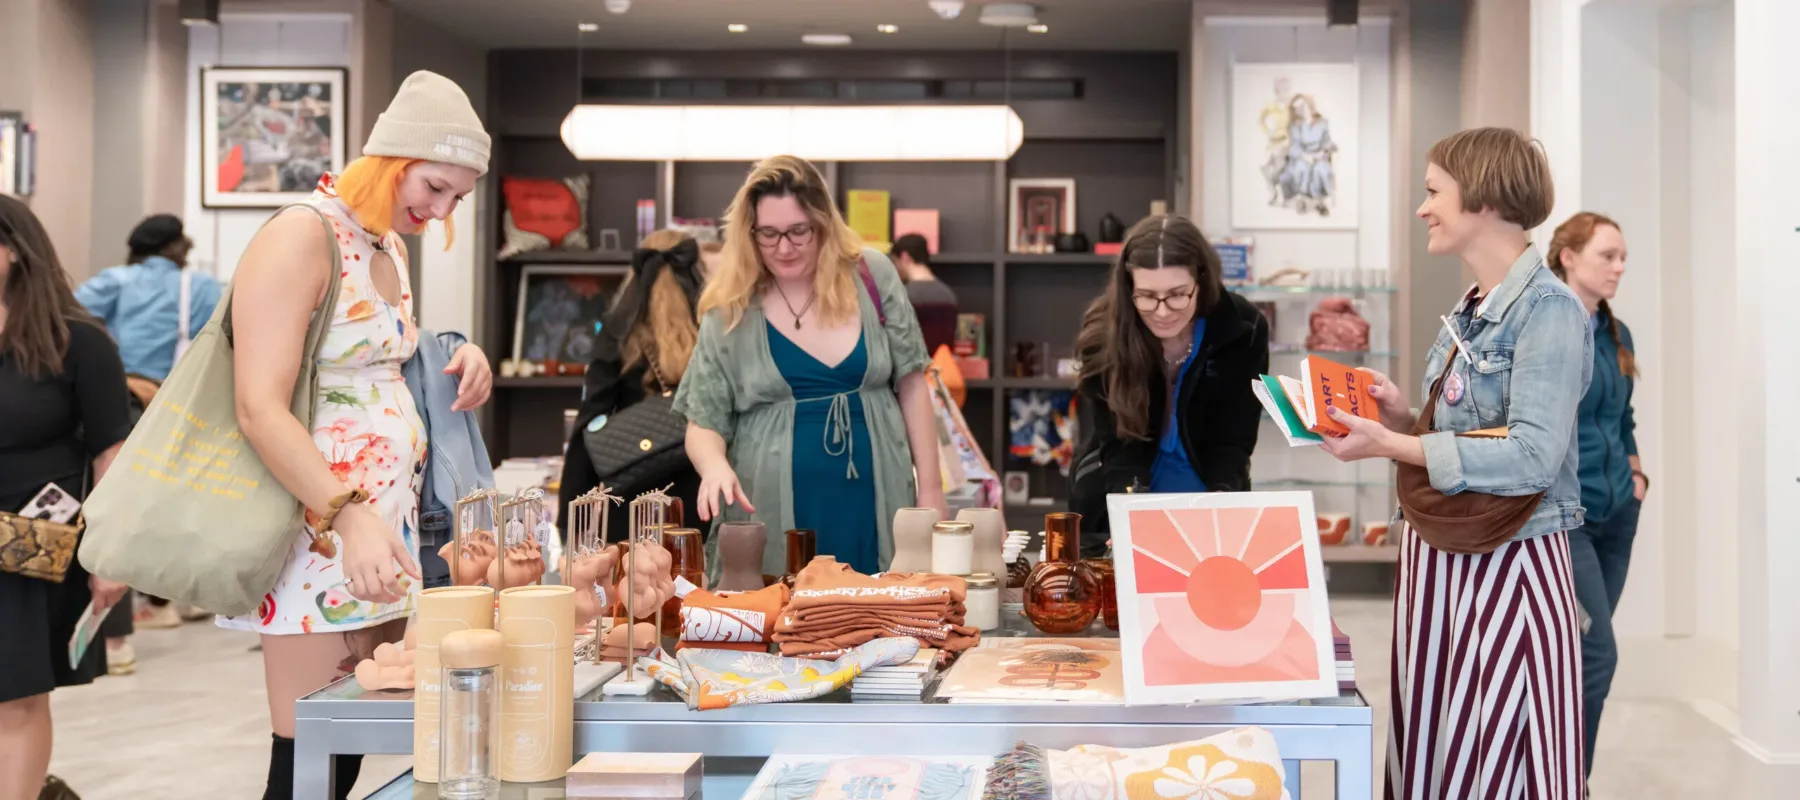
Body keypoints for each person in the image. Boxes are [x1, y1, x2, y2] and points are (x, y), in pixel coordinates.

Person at [215, 70, 493, 800]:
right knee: (309, 752)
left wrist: (451, 353)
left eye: (456, 198)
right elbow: (259, 406)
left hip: (381, 530)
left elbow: (365, 357)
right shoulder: (302, 235)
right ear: (394, 159)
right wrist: (346, 512)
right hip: (319, 525)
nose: (440, 210)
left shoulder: (385, 245)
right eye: (434, 187)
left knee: (348, 749)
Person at [1319, 128, 1589, 798]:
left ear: (1486, 200)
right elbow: (1473, 437)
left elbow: (1531, 456)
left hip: (1509, 568)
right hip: (1443, 563)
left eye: (1435, 190)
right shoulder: (1472, 308)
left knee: (1505, 757)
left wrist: (1395, 446)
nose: (1423, 208)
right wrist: (1405, 420)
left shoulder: (1548, 310)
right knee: (1439, 755)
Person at [675, 154, 944, 578]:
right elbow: (703, 418)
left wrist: (931, 493)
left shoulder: (872, 276)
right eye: (768, 234)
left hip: (875, 502)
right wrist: (713, 466)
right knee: (781, 624)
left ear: (823, 223)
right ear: (749, 233)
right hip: (769, 506)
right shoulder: (730, 307)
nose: (784, 248)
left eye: (798, 231)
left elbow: (912, 386)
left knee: (880, 618)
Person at [0, 195, 134, 800]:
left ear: (13, 251)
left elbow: (112, 453)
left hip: (27, 546)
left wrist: (111, 554)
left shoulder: (78, 341)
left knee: (17, 697)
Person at [1067, 214, 1270, 556]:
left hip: (1207, 498)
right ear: (1128, 287)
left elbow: (1233, 440)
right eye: (1146, 296)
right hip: (1115, 496)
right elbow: (1117, 443)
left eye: (1177, 295)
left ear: (1201, 282)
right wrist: (1130, 512)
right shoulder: (1103, 334)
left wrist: (1221, 501)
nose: (1162, 312)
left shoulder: (1243, 329)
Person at [76, 214, 221, 635]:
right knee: (177, 494)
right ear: (179, 249)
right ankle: (173, 595)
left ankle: (133, 610)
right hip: (182, 399)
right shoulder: (202, 287)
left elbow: (67, 314)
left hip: (123, 398)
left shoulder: (115, 282)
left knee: (125, 495)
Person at [1548, 211, 1645, 778]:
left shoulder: (1615, 330)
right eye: (1608, 255)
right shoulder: (1549, 327)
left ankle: (1561, 773)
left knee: (1583, 655)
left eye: (1623, 257)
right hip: (1570, 520)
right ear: (1569, 257)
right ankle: (1566, 779)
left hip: (1617, 517)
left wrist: (1637, 477)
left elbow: (1622, 417)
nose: (1619, 267)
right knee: (1596, 653)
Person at [559, 229, 706, 537]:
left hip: (633, 498)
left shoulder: (618, 334)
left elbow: (591, 420)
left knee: (634, 582)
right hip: (701, 492)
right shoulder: (713, 329)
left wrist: (569, 521)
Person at [889, 233, 958, 355]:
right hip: (940, 370)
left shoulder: (904, 296)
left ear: (905, 257)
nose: (896, 268)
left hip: (914, 371)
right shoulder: (948, 295)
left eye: (895, 261)